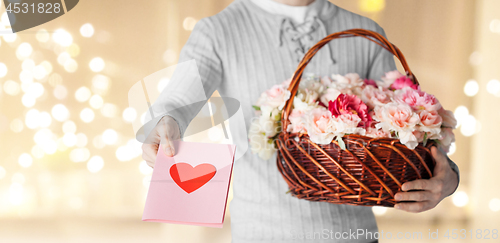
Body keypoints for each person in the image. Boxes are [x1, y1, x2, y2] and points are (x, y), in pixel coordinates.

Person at [141, 0, 460, 242]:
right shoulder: (219, 31)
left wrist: (448, 177)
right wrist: (164, 124)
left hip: (354, 235)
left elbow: (407, 130)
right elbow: (178, 101)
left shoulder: (367, 33)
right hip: (262, 234)